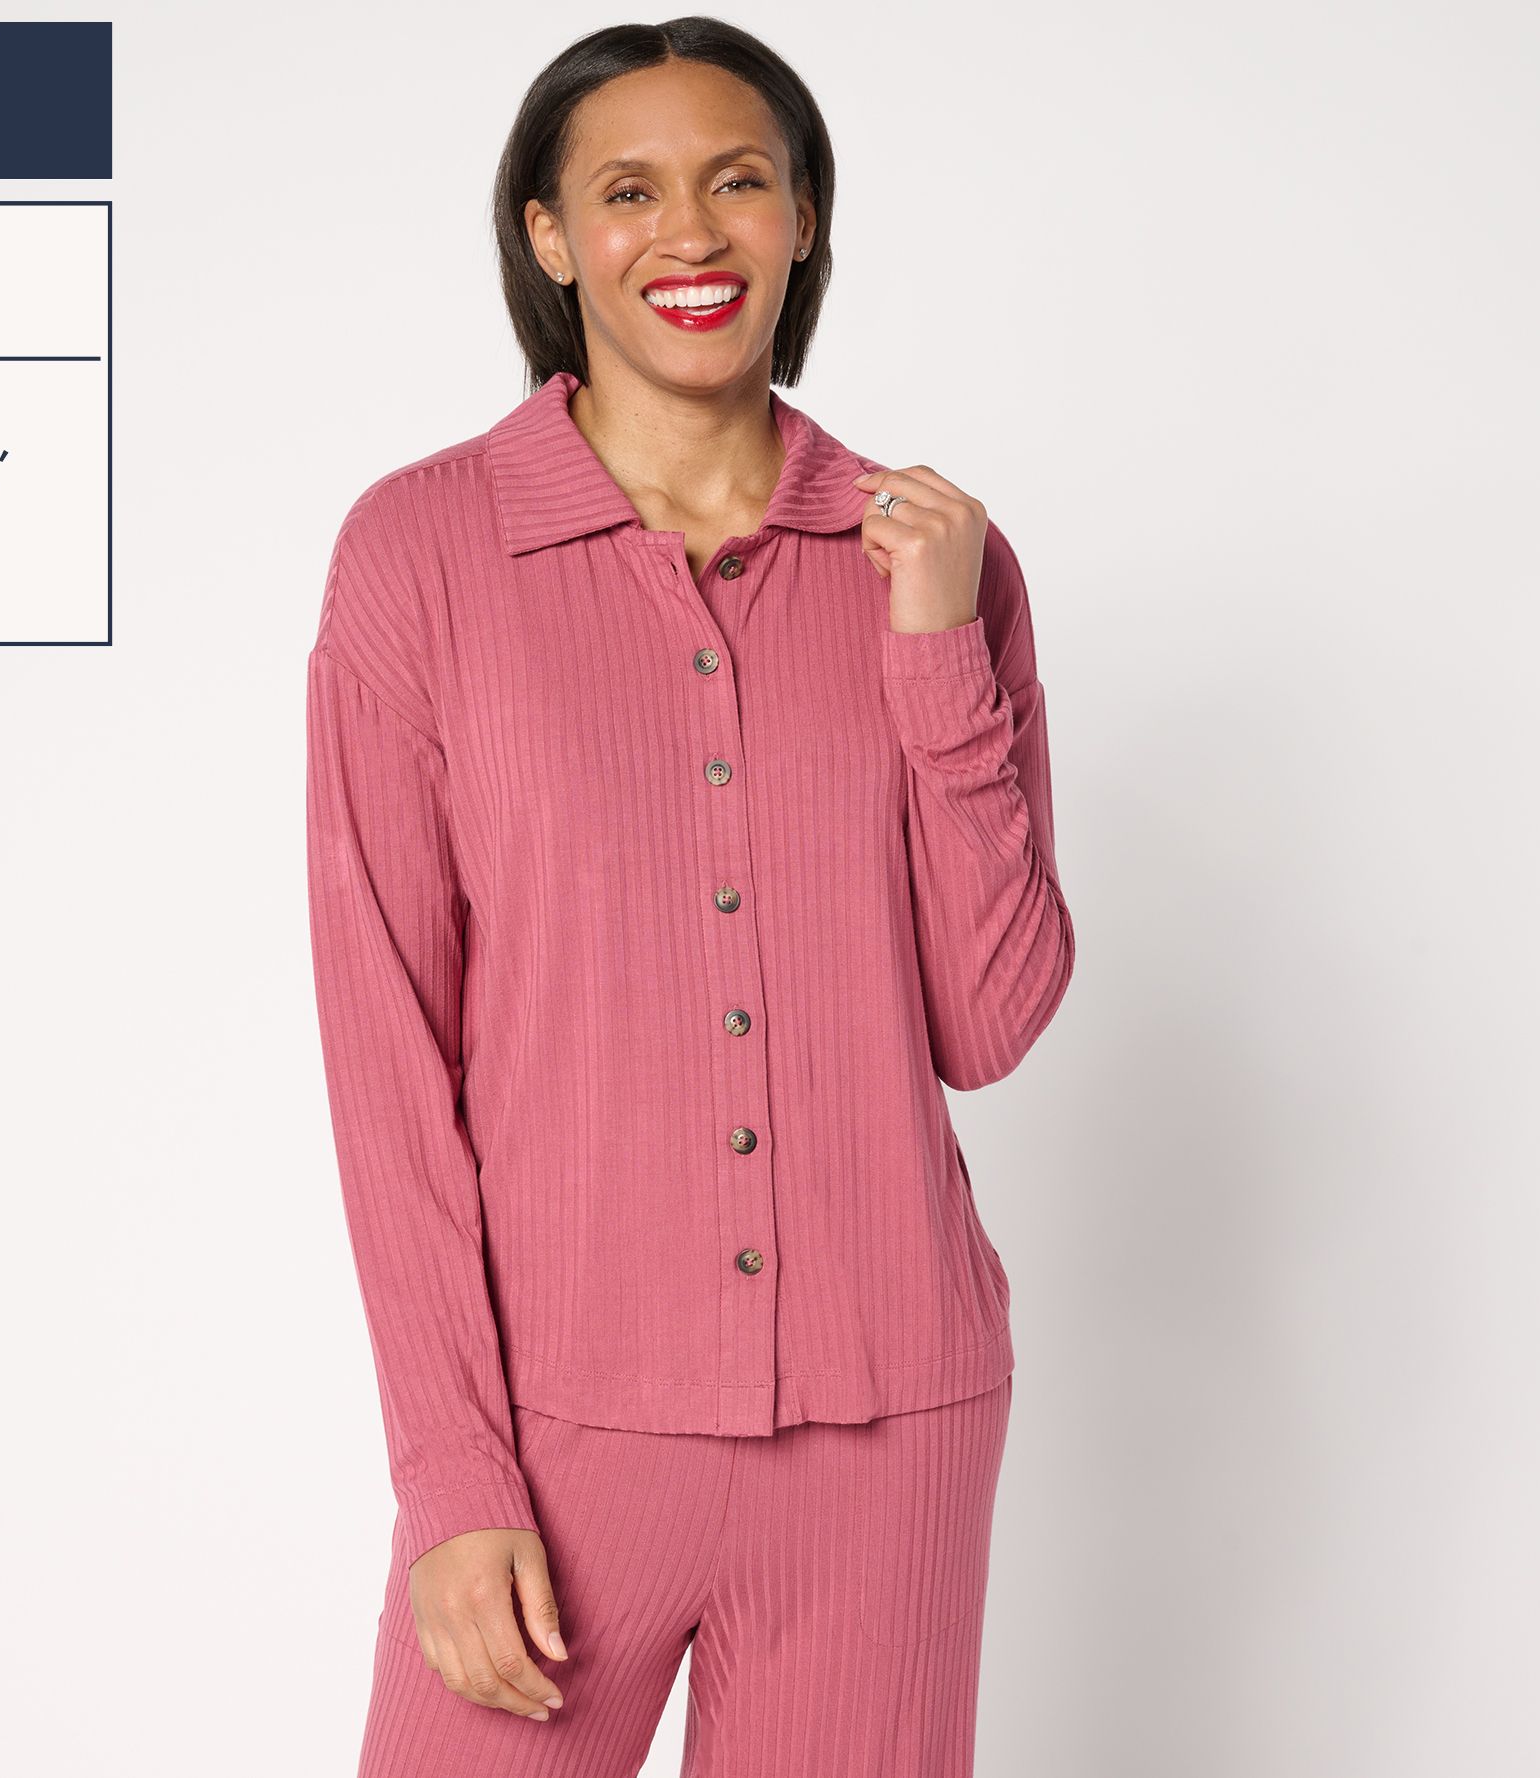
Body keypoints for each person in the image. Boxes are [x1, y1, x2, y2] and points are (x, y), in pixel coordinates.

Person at [304, 17, 1076, 1776]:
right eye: (630, 190)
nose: (691, 232)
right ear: (551, 235)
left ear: (804, 221)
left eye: (739, 181)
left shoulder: (937, 559)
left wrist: (933, 652)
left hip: (891, 1429)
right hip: (561, 1439)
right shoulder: (420, 556)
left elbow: (991, 1019)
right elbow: (388, 1061)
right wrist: (454, 1478)